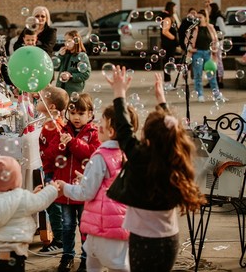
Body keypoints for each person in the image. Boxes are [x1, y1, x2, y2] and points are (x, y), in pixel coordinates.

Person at [104, 66, 205, 272]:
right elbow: (169, 133)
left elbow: (123, 130)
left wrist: (119, 92)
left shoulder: (141, 159)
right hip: (170, 240)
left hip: (143, 242)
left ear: (147, 139)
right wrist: (162, 102)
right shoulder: (176, 160)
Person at [56, 104, 139, 272]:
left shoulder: (100, 157)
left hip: (102, 227)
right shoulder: (124, 153)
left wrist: (64, 188)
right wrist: (86, 178)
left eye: (102, 122)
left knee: (101, 266)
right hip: (121, 223)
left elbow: (86, 192)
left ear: (111, 132)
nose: (97, 126)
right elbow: (110, 183)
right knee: (117, 265)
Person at [0, 155, 60, 272]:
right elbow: (40, 202)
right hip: (13, 253)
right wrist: (53, 189)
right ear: (15, 179)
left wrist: (31, 195)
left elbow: (12, 204)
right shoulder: (21, 197)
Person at [55, 93, 100, 272]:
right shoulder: (62, 131)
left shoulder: (93, 133)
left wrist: (73, 143)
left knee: (85, 226)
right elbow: (52, 155)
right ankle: (67, 256)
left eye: (81, 113)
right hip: (67, 190)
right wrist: (60, 143)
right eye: (73, 112)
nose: (76, 117)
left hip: (83, 189)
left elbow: (92, 153)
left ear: (90, 114)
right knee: (66, 226)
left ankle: (86, 258)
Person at [36, 86, 69, 255]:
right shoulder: (49, 123)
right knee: (52, 205)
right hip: (49, 169)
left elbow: (55, 151)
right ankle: (59, 238)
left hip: (53, 172)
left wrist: (45, 154)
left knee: (53, 206)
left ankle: (60, 240)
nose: (38, 100)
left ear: (53, 107)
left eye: (41, 100)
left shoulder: (55, 126)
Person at [185, 10, 224, 103]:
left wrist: (214, 49)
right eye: (197, 17)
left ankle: (217, 94)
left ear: (205, 18)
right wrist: (191, 49)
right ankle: (200, 95)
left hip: (208, 53)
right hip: (197, 53)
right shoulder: (194, 28)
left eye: (200, 17)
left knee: (211, 75)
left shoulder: (210, 27)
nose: (198, 19)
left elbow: (215, 40)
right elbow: (186, 41)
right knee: (198, 75)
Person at [56, 30, 91, 95]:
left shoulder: (81, 56)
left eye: (69, 41)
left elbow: (86, 74)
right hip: (61, 90)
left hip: (74, 92)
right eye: (65, 41)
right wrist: (60, 56)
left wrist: (71, 76)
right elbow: (55, 67)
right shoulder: (64, 55)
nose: (66, 43)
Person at [160, 1, 180, 90]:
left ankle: (168, 82)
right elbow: (164, 31)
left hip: (170, 45)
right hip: (168, 45)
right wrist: (173, 38)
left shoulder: (171, 17)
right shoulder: (167, 18)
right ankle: (167, 83)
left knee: (169, 63)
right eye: (175, 8)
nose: (176, 9)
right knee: (168, 63)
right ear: (171, 8)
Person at [208, 3, 226, 88]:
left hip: (217, 42)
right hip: (213, 42)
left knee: (218, 60)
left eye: (209, 8)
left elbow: (223, 31)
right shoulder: (211, 18)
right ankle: (213, 79)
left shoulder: (218, 18)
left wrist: (216, 38)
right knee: (212, 61)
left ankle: (220, 80)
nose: (208, 10)